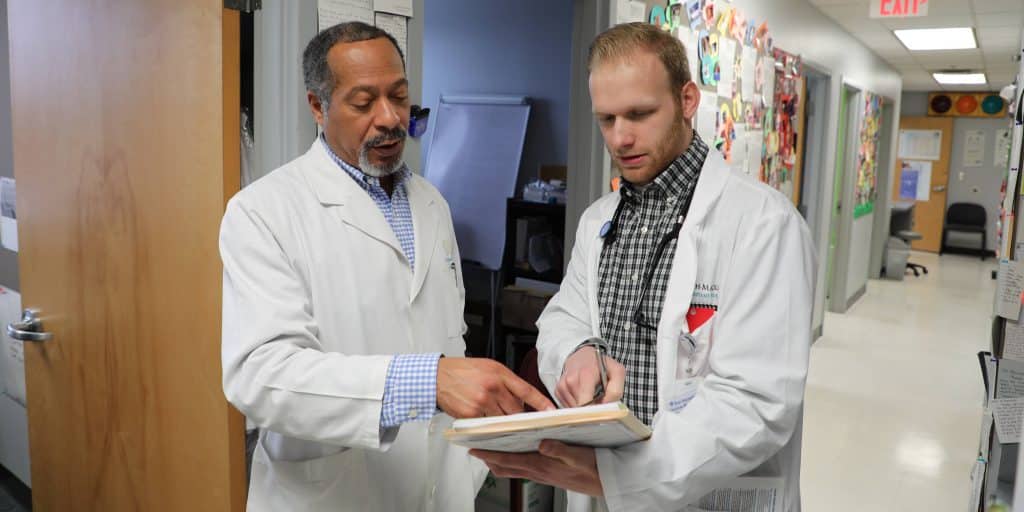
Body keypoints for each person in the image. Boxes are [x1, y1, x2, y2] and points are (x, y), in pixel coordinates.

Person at [470, 23, 815, 512]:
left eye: (640, 114)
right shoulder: (598, 221)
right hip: (601, 489)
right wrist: (577, 352)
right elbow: (564, 316)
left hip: (701, 491)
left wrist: (626, 475)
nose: (621, 137)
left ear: (688, 99)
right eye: (606, 119)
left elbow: (759, 403)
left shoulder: (763, 224)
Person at [219, 22, 553, 512]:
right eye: (363, 102)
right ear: (318, 106)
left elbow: (444, 338)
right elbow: (262, 376)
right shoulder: (264, 213)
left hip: (439, 492)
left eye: (399, 96)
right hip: (333, 494)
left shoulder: (432, 204)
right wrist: (428, 382)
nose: (390, 118)